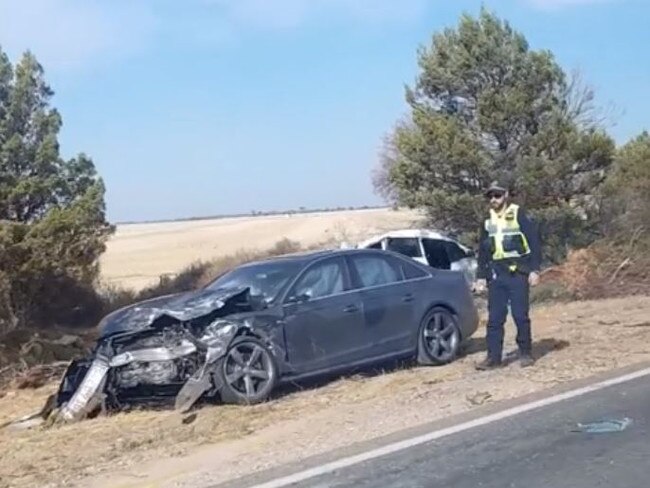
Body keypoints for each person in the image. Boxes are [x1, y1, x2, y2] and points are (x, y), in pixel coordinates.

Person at [474, 180, 542, 370]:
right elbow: (483, 250)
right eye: (490, 196)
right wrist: (480, 276)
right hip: (496, 274)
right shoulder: (487, 219)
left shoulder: (518, 213)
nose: (493, 200)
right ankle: (493, 358)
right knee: (495, 319)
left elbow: (534, 242)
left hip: (518, 272)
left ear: (505, 195)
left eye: (497, 195)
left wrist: (535, 270)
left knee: (520, 315)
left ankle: (526, 353)